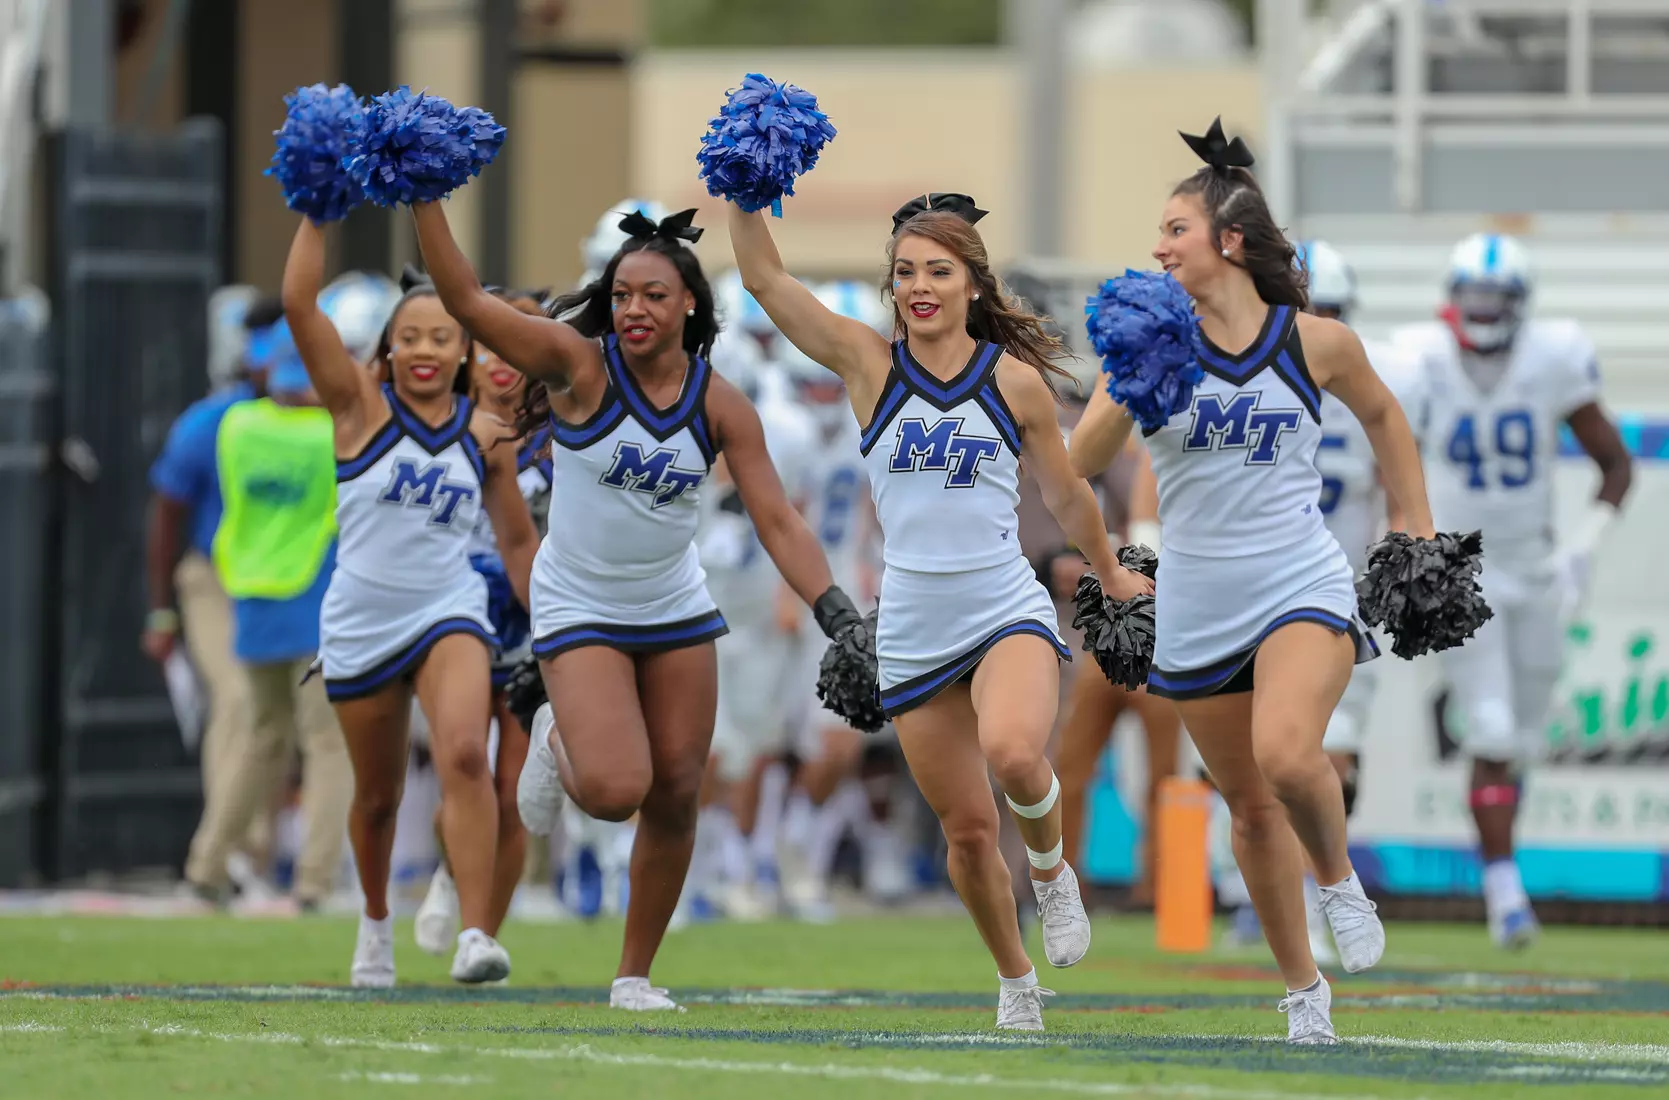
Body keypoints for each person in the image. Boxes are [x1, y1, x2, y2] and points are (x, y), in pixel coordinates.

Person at [413, 200, 862, 1012]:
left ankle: (633, 977)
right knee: (617, 788)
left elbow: (777, 518)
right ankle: (554, 732)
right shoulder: (580, 367)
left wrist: (835, 610)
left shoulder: (719, 401)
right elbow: (469, 306)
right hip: (579, 602)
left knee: (678, 789)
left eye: (653, 295)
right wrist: (426, 198)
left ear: (689, 302)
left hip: (673, 604)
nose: (633, 311)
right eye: (621, 295)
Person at [729, 190, 1151, 1031]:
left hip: (1002, 603)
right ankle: (1014, 977)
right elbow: (767, 283)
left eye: (938, 272)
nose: (920, 286)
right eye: (905, 273)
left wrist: (1110, 569)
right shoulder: (865, 363)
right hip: (913, 621)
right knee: (962, 834)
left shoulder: (1015, 382)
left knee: (1015, 753)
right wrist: (744, 193)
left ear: (971, 284)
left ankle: (1051, 873)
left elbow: (1067, 496)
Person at [1068, 121, 1436, 1043]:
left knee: (1285, 753)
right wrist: (1128, 382)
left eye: (1174, 229)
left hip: (1298, 579)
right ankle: (1303, 989)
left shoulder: (1312, 342)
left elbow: (1386, 418)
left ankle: (1339, 881)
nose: (1157, 247)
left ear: (1227, 242)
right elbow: (1078, 460)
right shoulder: (1150, 350)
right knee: (1247, 809)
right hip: (1196, 602)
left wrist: (1415, 528)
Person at [280, 215, 540, 987]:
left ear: (466, 350)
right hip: (360, 617)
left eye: (441, 337)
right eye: (411, 337)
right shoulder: (356, 409)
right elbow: (299, 305)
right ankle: (374, 920)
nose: (425, 350)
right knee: (380, 798)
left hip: (448, 607)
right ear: (388, 349)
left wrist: (550, 629)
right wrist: (317, 211)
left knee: (467, 752)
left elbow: (518, 543)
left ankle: (473, 935)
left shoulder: (487, 433)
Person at [1393, 232, 1632, 949]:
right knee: (1491, 728)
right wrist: (1411, 541)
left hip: (1533, 569)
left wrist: (1582, 549)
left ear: (1519, 307)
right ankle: (1504, 896)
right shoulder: (1421, 358)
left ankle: (1502, 872)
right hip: (1458, 572)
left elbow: (1616, 466)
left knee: (1520, 736)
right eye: (1472, 298)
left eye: (1495, 300)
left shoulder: (1554, 356)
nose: (1482, 311)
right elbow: (1382, 443)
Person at [183, 324, 353, 913]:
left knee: (261, 738)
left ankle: (207, 862)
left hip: (251, 594)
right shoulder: (329, 432)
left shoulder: (238, 426)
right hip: (313, 593)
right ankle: (313, 881)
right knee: (328, 745)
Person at [414, 284, 555, 955]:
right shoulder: (442, 426)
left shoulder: (561, 436)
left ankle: (482, 936)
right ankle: (450, 867)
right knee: (464, 763)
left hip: (532, 618)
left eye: (517, 345)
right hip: (457, 614)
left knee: (512, 790)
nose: (503, 360)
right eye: (488, 343)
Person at [153, 297, 283, 902]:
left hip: (283, 581)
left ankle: (254, 853)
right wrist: (162, 611)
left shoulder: (322, 416)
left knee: (279, 719)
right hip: (213, 580)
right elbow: (166, 514)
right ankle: (223, 857)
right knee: (235, 701)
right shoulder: (209, 422)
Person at [1038, 419, 1180, 911]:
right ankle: (1060, 886)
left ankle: (1161, 891)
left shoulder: (1148, 456)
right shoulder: (1110, 452)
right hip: (1110, 638)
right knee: (1069, 767)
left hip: (1166, 641)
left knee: (1165, 779)